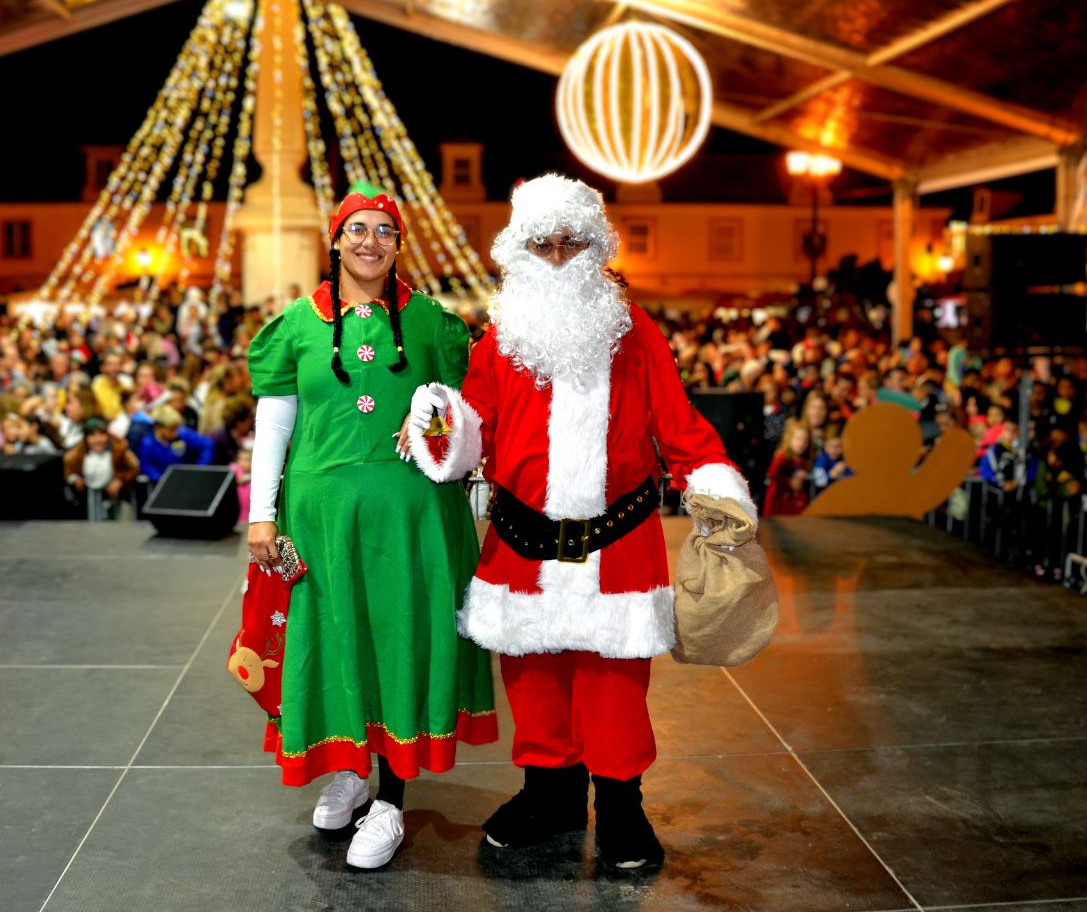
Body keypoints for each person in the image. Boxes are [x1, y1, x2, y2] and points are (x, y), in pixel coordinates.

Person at [438, 174, 755, 871]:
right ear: (519, 250)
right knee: (532, 676)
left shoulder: (634, 332)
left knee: (614, 686)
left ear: (596, 247)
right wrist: (441, 429)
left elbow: (678, 424)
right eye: (542, 244)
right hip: (522, 539)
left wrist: (712, 485)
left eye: (571, 242)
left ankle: (619, 804)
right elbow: (473, 426)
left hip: (618, 539)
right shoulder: (498, 340)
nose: (558, 257)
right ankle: (549, 794)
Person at [245, 189, 497, 871]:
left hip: (411, 518)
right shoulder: (294, 326)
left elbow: (469, 410)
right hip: (320, 516)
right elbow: (275, 423)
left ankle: (391, 796)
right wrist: (261, 512)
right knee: (337, 639)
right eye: (358, 229)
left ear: (397, 244)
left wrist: (431, 420)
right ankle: (351, 766)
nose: (371, 241)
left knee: (398, 641)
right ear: (336, 240)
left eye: (386, 231)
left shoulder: (432, 323)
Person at [64, 418, 140, 518]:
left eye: (101, 434)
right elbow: (68, 471)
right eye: (92, 435)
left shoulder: (119, 451)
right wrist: (75, 479)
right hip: (88, 495)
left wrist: (120, 479)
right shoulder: (77, 454)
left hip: (113, 496)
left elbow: (134, 468)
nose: (98, 440)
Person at [135, 405, 213, 477]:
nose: (176, 433)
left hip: (186, 478)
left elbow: (207, 444)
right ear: (158, 427)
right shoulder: (148, 444)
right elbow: (146, 467)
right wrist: (163, 479)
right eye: (171, 429)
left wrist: (200, 468)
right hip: (162, 482)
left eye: (177, 428)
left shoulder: (183, 435)